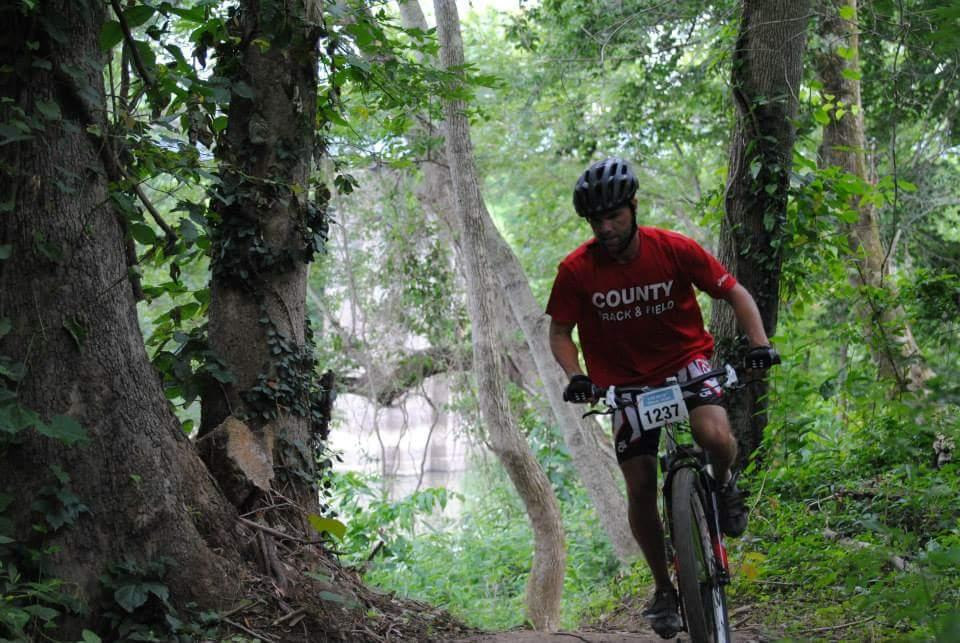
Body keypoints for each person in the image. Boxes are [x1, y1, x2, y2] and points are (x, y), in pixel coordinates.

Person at [546, 157, 779, 638]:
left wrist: (760, 345)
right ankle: (662, 588)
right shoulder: (576, 270)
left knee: (715, 435)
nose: (606, 228)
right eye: (597, 221)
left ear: (633, 208)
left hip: (684, 364)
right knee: (638, 486)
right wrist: (576, 375)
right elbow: (560, 332)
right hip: (626, 383)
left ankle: (725, 480)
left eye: (614, 216)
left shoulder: (673, 249)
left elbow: (735, 294)